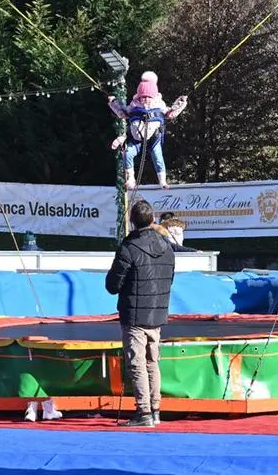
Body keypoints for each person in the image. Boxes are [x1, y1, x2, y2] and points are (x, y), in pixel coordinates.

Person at [105, 200, 175, 427]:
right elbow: (170, 279)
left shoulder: (129, 248)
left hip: (135, 314)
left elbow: (112, 285)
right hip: (157, 313)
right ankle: (155, 409)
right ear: (153, 219)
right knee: (152, 361)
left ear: (133, 222)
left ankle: (143, 412)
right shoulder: (167, 246)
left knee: (137, 363)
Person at [108, 71, 187, 189]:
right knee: (127, 154)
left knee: (158, 157)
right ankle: (130, 179)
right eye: (142, 97)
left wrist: (181, 102)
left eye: (147, 97)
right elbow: (122, 112)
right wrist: (113, 102)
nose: (145, 99)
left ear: (153, 96)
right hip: (137, 139)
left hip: (153, 138)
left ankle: (162, 181)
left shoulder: (159, 105)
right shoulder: (134, 105)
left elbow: (171, 113)